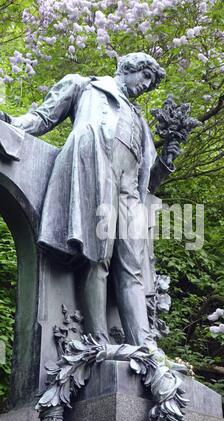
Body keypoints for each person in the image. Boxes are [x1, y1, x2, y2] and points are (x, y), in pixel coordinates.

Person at [0, 52, 179, 346]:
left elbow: (151, 180)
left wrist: (166, 162)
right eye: (146, 76)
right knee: (98, 258)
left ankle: (144, 346)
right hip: (96, 170)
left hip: (130, 191)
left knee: (132, 268)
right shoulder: (84, 86)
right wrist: (11, 122)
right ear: (129, 67)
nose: (147, 85)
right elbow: (44, 117)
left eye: (152, 82)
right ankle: (99, 343)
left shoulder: (140, 121)